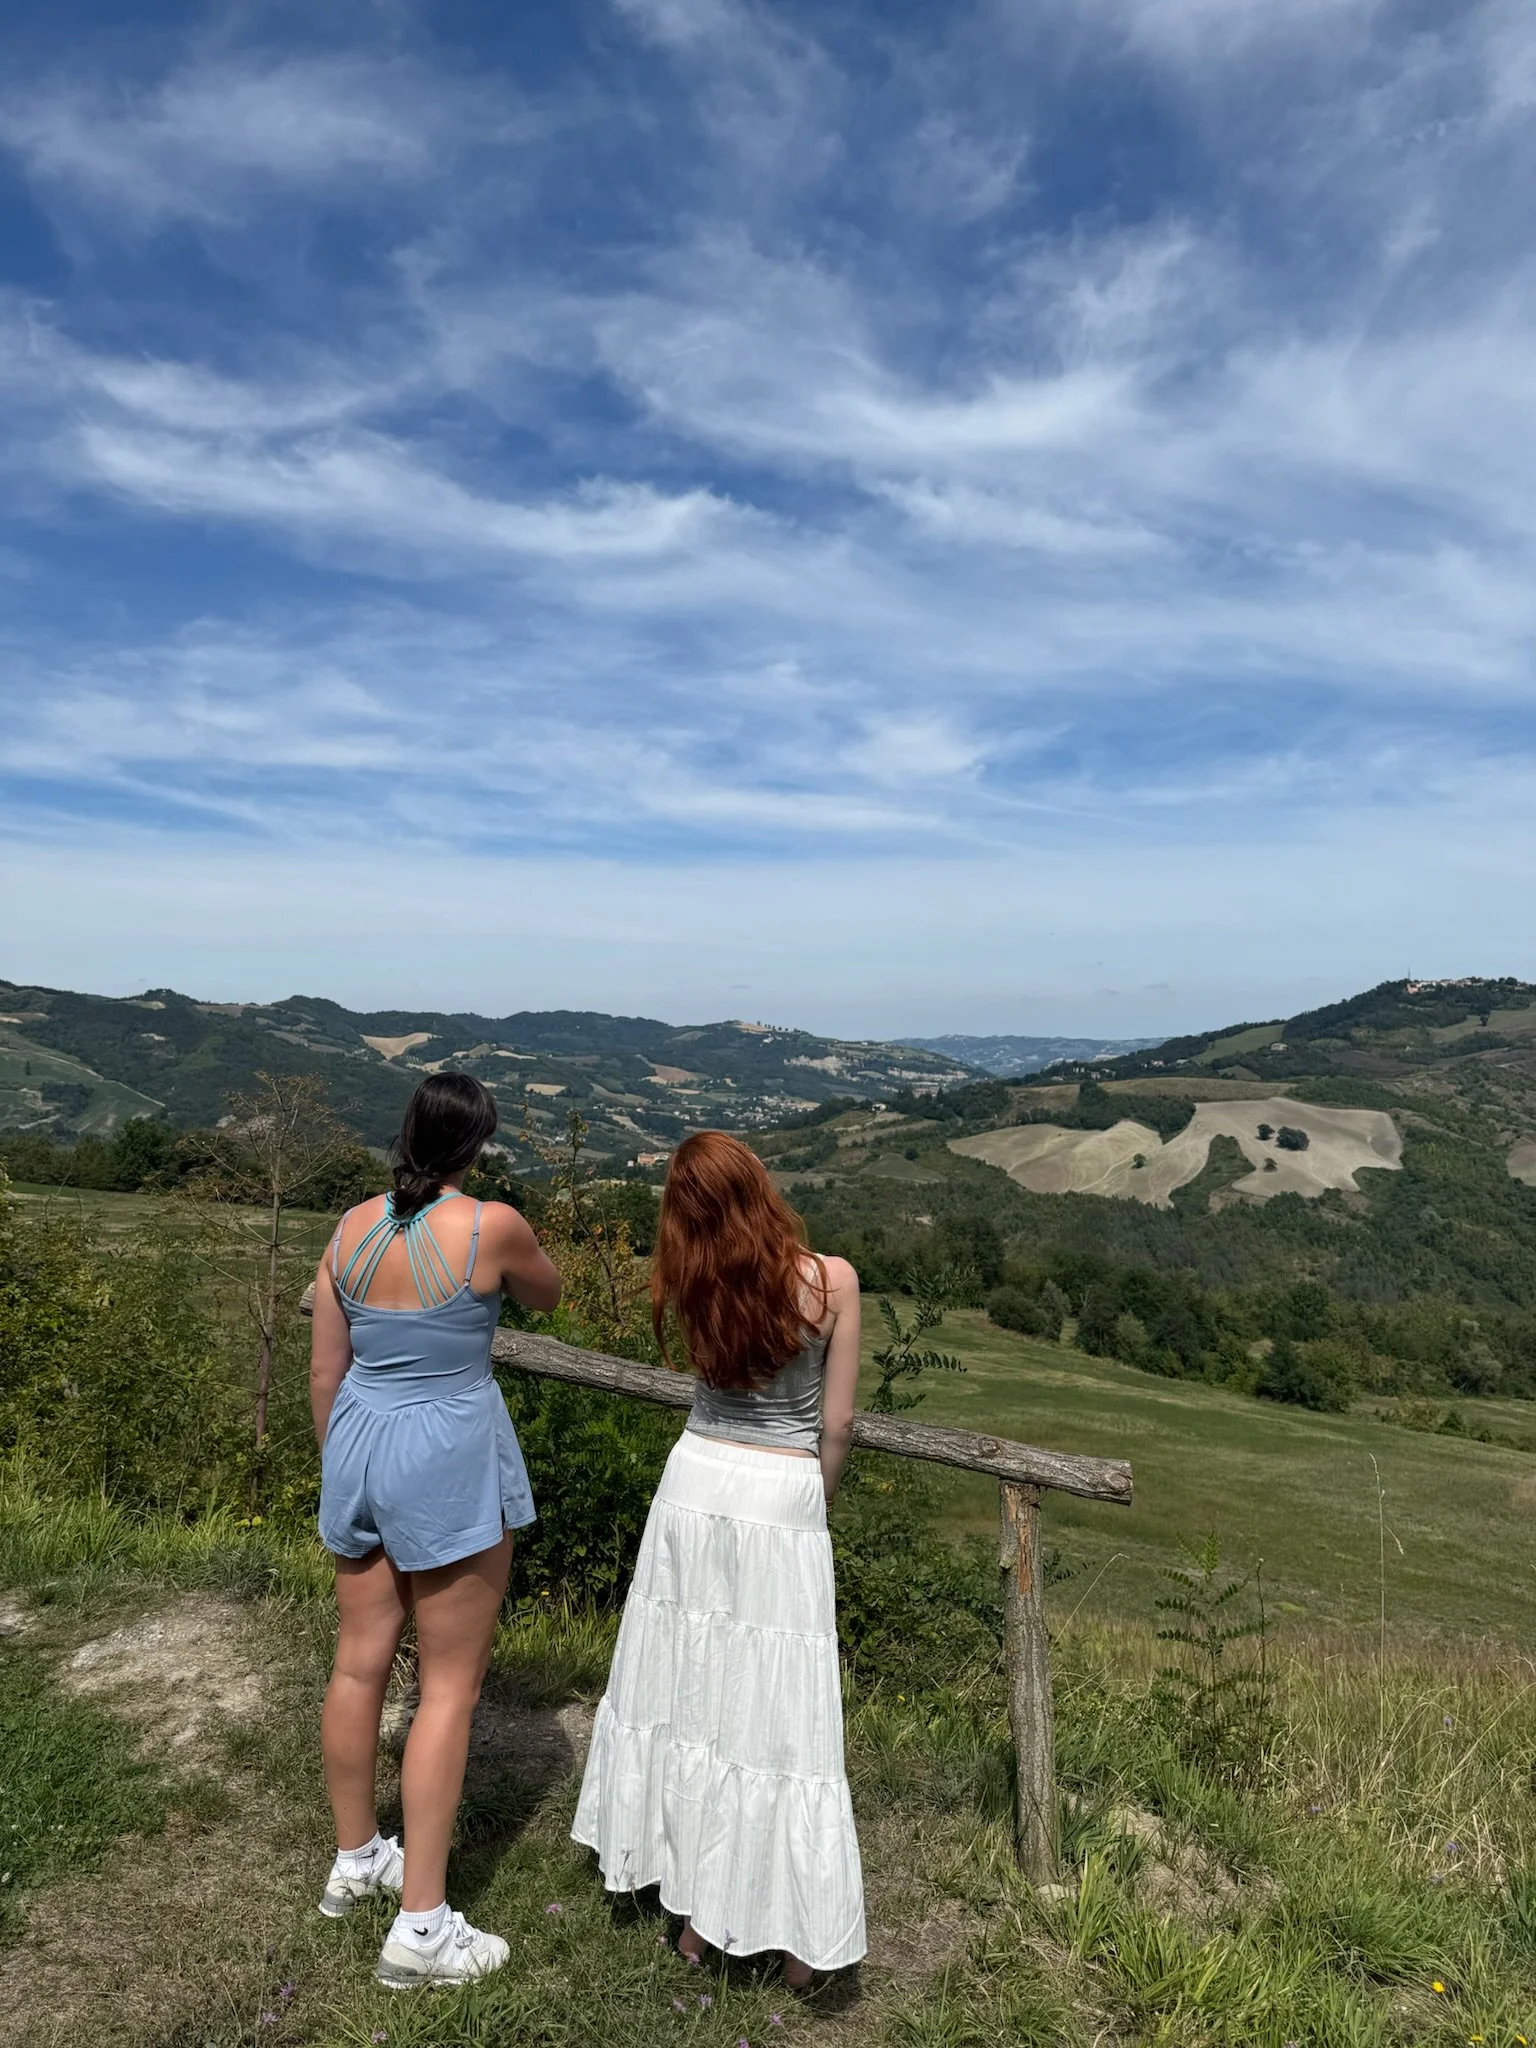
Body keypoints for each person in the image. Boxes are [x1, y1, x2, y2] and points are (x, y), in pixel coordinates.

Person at [572, 1129, 866, 1987]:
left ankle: (693, 1900)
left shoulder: (689, 1278)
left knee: (692, 1689)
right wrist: (818, 1499)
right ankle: (794, 1933)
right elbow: (836, 1425)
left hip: (695, 1480)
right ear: (760, 1187)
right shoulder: (831, 1281)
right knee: (779, 1712)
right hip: (780, 1490)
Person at [308, 1073, 560, 1989]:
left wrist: (342, 1461)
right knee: (448, 1688)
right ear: (478, 1143)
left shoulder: (350, 1225)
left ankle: (353, 1860)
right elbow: (548, 1296)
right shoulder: (490, 1226)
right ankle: (422, 1929)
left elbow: (325, 1368)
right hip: (447, 1450)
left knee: (358, 1660)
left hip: (361, 1441)